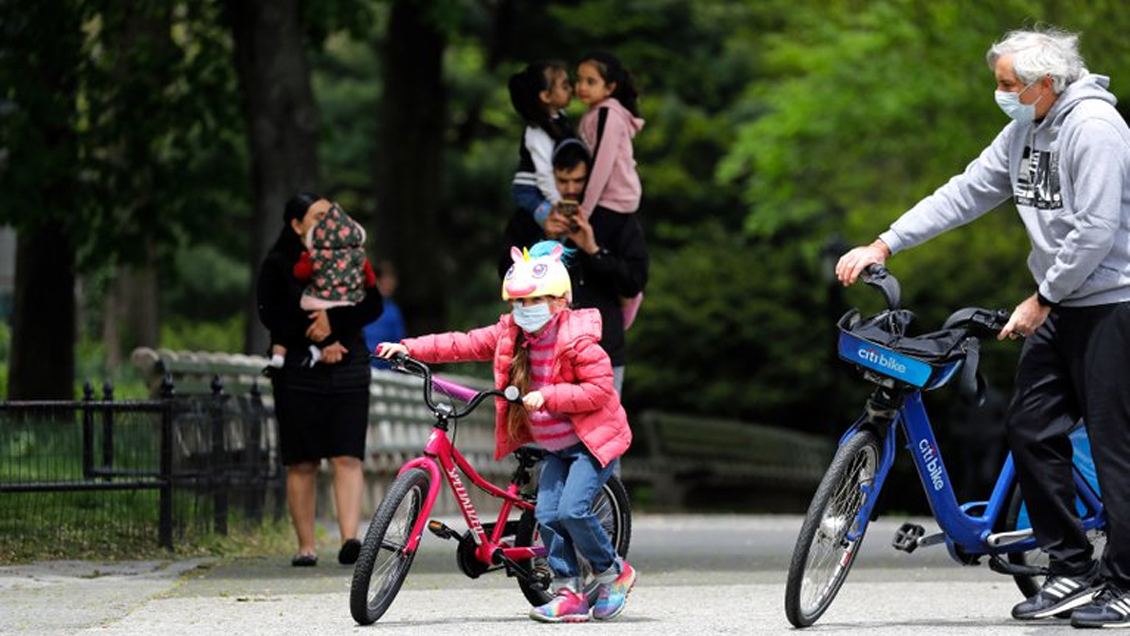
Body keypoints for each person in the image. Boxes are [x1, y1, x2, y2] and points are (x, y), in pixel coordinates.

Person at [835, 27, 1130, 628]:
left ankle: (1124, 583)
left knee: (1113, 446)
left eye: (1007, 84)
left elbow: (1097, 228)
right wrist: (886, 242)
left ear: (1045, 83)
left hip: (1113, 304)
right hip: (1064, 304)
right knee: (1029, 429)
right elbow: (968, 190)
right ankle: (1071, 569)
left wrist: (1044, 297)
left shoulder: (1094, 128)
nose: (999, 93)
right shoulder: (1027, 127)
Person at [376, 241, 638, 622]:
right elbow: (460, 343)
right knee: (547, 516)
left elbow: (599, 390)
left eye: (534, 302)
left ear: (560, 300)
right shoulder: (510, 334)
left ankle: (613, 572)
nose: (524, 310)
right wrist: (406, 348)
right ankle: (569, 592)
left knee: (573, 510)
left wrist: (548, 395)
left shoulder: (579, 340)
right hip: (555, 448)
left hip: (590, 444)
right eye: (518, 303)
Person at [256, 191, 383, 567]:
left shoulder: (350, 256)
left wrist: (337, 330)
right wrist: (321, 337)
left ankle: (349, 539)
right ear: (296, 225)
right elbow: (271, 313)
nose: (328, 222)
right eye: (317, 216)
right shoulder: (278, 264)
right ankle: (306, 545)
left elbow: (371, 304)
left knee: (347, 455)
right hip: (298, 369)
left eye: (331, 214)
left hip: (348, 365)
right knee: (303, 460)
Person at [498, 139, 648, 393]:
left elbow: (634, 281)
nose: (570, 190)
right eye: (563, 181)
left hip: (602, 348)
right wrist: (545, 240)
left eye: (578, 181)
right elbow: (506, 273)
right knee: (546, 428)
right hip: (542, 350)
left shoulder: (614, 217)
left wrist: (593, 250)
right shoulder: (529, 217)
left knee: (600, 430)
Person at [574, 51, 646, 328]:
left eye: (590, 82)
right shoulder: (597, 113)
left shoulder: (608, 114)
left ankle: (628, 298)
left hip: (611, 199)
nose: (581, 87)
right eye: (579, 80)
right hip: (608, 198)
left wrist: (585, 211)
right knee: (592, 259)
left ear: (610, 87)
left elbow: (601, 167)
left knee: (591, 259)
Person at [268, 202, 375, 369]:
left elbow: (301, 272)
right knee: (347, 321)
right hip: (348, 299)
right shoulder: (358, 256)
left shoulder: (316, 255)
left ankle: (282, 351)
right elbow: (369, 280)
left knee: (300, 307)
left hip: (319, 298)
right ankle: (327, 348)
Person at [508, 61, 575, 227]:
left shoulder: (560, 118)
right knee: (557, 224)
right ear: (545, 96)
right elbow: (544, 173)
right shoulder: (537, 131)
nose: (571, 90)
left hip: (548, 187)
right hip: (531, 191)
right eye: (565, 86)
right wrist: (559, 203)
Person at [363, 260, 407, 369]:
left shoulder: (394, 312)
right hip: (362, 366)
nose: (389, 285)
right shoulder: (362, 306)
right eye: (385, 280)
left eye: (392, 280)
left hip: (385, 372)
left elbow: (400, 343)